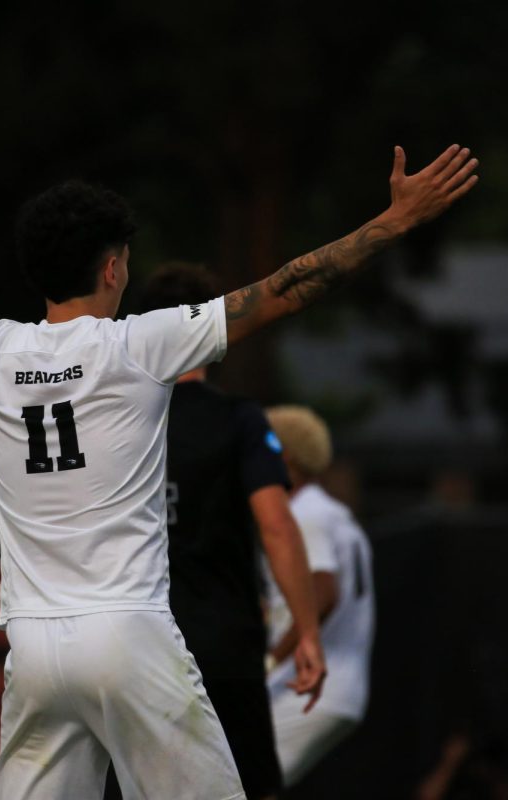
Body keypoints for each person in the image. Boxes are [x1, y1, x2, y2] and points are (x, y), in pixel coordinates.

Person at [0, 143, 477, 798]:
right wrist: (397, 220)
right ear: (112, 269)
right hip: (129, 636)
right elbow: (290, 286)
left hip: (35, 648)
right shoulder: (143, 346)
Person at [103, 264, 323, 800]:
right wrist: (309, 630)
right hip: (223, 645)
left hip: (132, 644)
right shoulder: (240, 420)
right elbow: (275, 523)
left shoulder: (114, 417)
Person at [263, 405, 375, 785]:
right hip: (337, 686)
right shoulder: (331, 512)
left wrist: (269, 660)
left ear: (285, 455)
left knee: (233, 787)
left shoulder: (304, 514)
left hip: (306, 687)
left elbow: (324, 591)